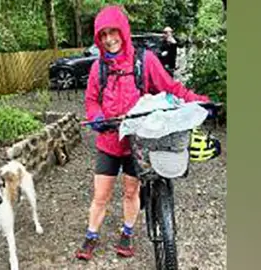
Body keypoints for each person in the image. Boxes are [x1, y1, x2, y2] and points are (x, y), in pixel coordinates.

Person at [75, 5, 210, 260]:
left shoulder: (144, 61)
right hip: (108, 142)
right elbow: (92, 101)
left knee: (131, 191)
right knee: (101, 195)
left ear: (123, 32)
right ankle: (91, 235)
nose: (109, 39)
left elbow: (171, 89)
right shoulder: (98, 68)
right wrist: (97, 118)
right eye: (103, 35)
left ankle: (127, 233)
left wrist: (198, 101)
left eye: (113, 32)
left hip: (138, 143)